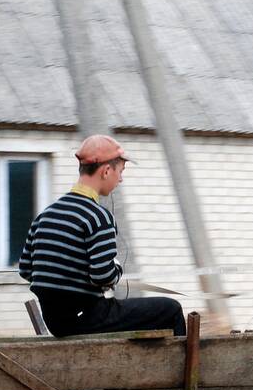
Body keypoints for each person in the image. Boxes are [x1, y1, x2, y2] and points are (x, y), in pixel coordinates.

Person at [19, 134, 186, 337]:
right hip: (88, 317)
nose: (121, 179)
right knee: (170, 309)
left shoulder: (45, 215)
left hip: (55, 322)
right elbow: (103, 275)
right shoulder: (98, 217)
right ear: (107, 171)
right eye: (121, 171)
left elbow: (26, 270)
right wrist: (116, 270)